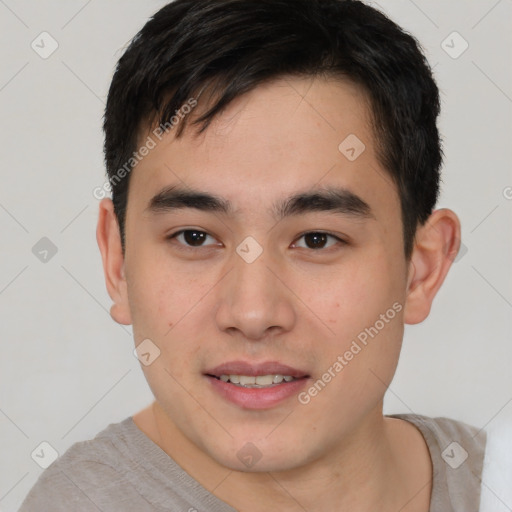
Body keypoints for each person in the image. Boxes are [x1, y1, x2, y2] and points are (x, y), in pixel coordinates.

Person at [19, 0, 486, 510]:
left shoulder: (491, 480)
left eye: (316, 239)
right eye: (194, 237)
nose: (253, 313)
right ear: (117, 261)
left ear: (421, 269)